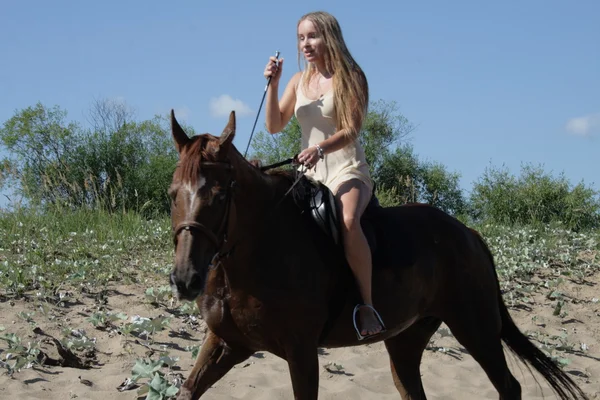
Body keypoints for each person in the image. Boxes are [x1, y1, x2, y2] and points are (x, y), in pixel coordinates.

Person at [263, 10, 385, 340]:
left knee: (347, 221)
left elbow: (352, 129)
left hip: (346, 169)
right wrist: (273, 85)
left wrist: (320, 149)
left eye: (312, 36)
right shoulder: (297, 82)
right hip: (308, 175)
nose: (305, 44)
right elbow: (274, 126)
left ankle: (367, 305)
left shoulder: (351, 77)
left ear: (329, 37)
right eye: (301, 38)